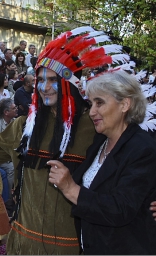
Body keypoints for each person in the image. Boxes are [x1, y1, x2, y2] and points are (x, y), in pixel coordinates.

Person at [0, 26, 132, 254]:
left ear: (69, 82)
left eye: (52, 80)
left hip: (70, 245)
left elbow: (127, 166)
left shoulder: (94, 125)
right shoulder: (25, 125)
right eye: (40, 80)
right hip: (24, 242)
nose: (44, 87)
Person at [47, 70, 156, 254]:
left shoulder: (142, 148)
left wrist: (71, 189)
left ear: (125, 104)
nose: (92, 112)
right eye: (91, 104)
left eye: (100, 103)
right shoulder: (99, 142)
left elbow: (120, 209)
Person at [0, 98, 18, 201]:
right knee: (11, 169)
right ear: (6, 112)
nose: (17, 109)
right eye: (14, 108)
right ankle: (9, 201)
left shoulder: (14, 122)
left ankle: (20, 197)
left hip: (12, 154)